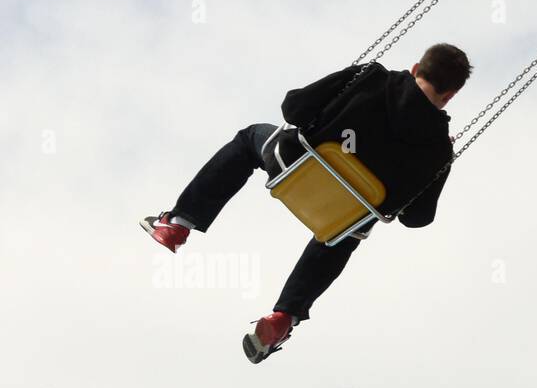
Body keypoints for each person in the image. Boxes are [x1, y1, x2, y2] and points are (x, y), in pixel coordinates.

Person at [141, 43, 471, 363]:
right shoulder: (439, 150)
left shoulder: (372, 78)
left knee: (249, 140)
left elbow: (294, 108)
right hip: (341, 216)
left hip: (293, 168)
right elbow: (416, 218)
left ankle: (178, 224)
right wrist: (435, 164)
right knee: (343, 236)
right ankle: (285, 315)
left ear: (416, 69)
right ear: (450, 95)